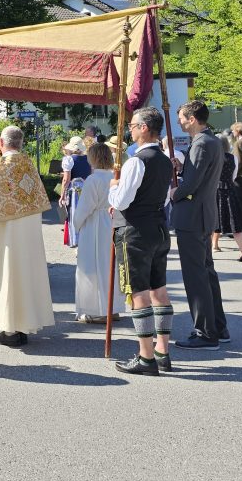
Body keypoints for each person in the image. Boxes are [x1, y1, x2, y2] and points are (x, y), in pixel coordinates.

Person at [0, 126, 54, 347]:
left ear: (0, 142)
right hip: (27, 234)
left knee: (4, 276)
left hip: (3, 237)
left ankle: (7, 329)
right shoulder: (29, 166)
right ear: (21, 143)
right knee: (24, 276)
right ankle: (24, 326)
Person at [107, 109, 175, 375]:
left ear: (145, 128)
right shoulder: (166, 160)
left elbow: (121, 201)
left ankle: (146, 357)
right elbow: (166, 198)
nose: (130, 131)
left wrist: (113, 188)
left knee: (139, 294)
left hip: (135, 230)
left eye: (134, 126)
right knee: (159, 290)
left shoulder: (137, 161)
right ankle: (162, 351)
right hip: (158, 226)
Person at [170, 100, 228, 351]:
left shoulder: (202, 143)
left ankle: (205, 332)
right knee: (206, 272)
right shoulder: (211, 141)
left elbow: (192, 184)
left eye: (182, 117)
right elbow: (197, 175)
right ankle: (217, 326)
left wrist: (174, 193)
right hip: (202, 215)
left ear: (192, 119)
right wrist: (183, 168)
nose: (179, 121)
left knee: (196, 277)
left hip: (193, 216)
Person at [72, 142, 124, 324]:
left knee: (93, 267)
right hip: (112, 222)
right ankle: (113, 307)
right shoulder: (114, 176)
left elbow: (84, 208)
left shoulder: (93, 180)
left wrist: (75, 225)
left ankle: (98, 310)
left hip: (95, 225)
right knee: (110, 267)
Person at [212, 137, 242, 262]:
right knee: (234, 222)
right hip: (230, 191)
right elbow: (233, 176)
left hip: (215, 191)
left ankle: (209, 251)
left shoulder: (213, 157)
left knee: (212, 221)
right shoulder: (233, 157)